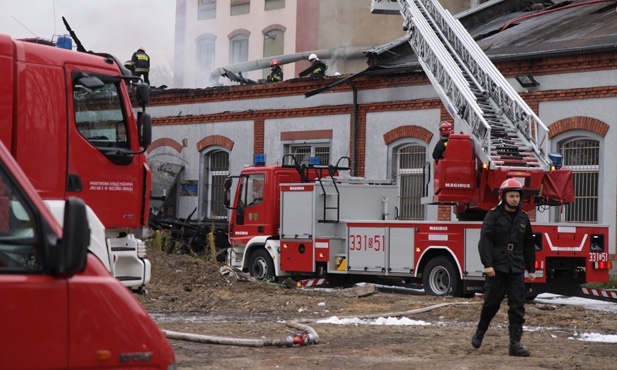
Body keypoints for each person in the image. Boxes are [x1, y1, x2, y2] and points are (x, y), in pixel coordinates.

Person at [471, 178, 536, 357]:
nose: (515, 199)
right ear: (504, 197)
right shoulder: (493, 216)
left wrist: (531, 268)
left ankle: (515, 344)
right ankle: (480, 332)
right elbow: (485, 240)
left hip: (515, 266)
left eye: (517, 196)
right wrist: (488, 264)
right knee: (492, 303)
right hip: (497, 266)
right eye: (512, 196)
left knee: (517, 306)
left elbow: (529, 244)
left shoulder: (523, 218)